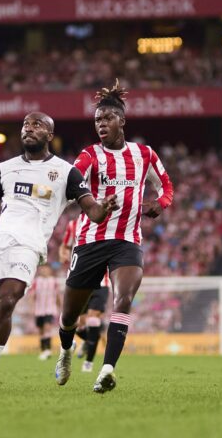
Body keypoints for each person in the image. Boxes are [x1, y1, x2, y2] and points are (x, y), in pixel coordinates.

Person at [0, 112, 119, 396]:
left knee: (5, 303)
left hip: (28, 247)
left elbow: (91, 209)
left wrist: (103, 208)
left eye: (37, 124)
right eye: (25, 125)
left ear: (49, 135)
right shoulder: (6, 168)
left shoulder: (66, 172)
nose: (29, 128)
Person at [55, 80, 174, 393]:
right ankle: (66, 351)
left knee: (123, 300)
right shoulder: (90, 155)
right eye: (97, 120)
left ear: (122, 120)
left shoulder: (145, 155)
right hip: (90, 241)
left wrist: (158, 204)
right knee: (69, 317)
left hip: (127, 243)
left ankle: (106, 370)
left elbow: (167, 187)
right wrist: (90, 200)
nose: (101, 124)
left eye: (107, 118)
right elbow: (73, 177)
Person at [58, 217, 109, 373]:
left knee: (93, 319)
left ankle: (89, 363)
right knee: (79, 324)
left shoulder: (106, 220)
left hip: (102, 282)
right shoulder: (73, 225)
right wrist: (64, 254)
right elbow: (64, 246)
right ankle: (89, 341)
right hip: (81, 279)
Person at [31, 264, 61, 360]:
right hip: (39, 310)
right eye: (43, 269)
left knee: (47, 327)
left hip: (50, 309)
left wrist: (60, 306)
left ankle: (48, 350)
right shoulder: (36, 281)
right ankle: (43, 350)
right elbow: (32, 295)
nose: (44, 271)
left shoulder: (54, 281)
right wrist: (32, 307)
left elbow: (57, 295)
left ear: (50, 271)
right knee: (41, 331)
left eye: (46, 269)